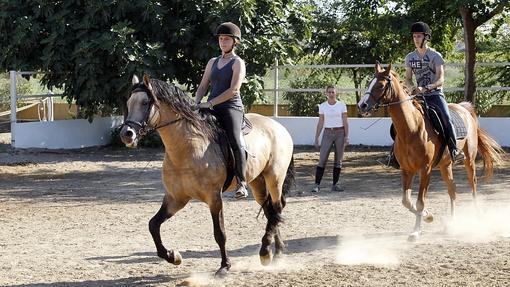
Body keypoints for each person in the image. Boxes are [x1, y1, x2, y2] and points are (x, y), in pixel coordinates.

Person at [388, 21, 464, 169]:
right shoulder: (410, 57)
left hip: (435, 95)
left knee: (446, 118)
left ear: (426, 37)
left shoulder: (435, 56)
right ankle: (394, 155)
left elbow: (441, 79)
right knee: (399, 122)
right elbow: (408, 78)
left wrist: (426, 88)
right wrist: (411, 88)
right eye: (414, 36)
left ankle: (454, 149)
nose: (416, 39)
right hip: (418, 96)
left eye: (418, 36)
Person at [194, 22, 248, 199]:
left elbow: (234, 90)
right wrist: (196, 101)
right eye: (221, 39)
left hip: (231, 107)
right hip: (211, 106)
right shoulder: (212, 62)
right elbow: (203, 86)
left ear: (234, 42)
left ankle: (241, 182)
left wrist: (210, 104)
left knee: (235, 139)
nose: (223, 42)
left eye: (226, 39)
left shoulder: (237, 62)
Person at [311, 85, 349, 193]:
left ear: (336, 93)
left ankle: (335, 184)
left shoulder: (342, 105)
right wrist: (316, 137)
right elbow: (321, 122)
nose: (331, 94)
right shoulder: (323, 106)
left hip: (340, 133)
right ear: (326, 93)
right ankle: (317, 185)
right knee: (322, 159)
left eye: (333, 92)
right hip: (327, 132)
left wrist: (347, 135)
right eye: (329, 92)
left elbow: (345, 121)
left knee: (338, 160)